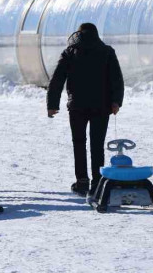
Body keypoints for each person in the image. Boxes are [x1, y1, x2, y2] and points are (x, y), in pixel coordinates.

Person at [47, 23, 124, 197]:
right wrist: (116, 102)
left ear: (78, 34)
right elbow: (116, 79)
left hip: (77, 106)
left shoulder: (70, 52)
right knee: (97, 144)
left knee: (79, 143)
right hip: (101, 106)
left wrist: (52, 104)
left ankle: (82, 182)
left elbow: (57, 79)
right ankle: (98, 181)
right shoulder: (107, 52)